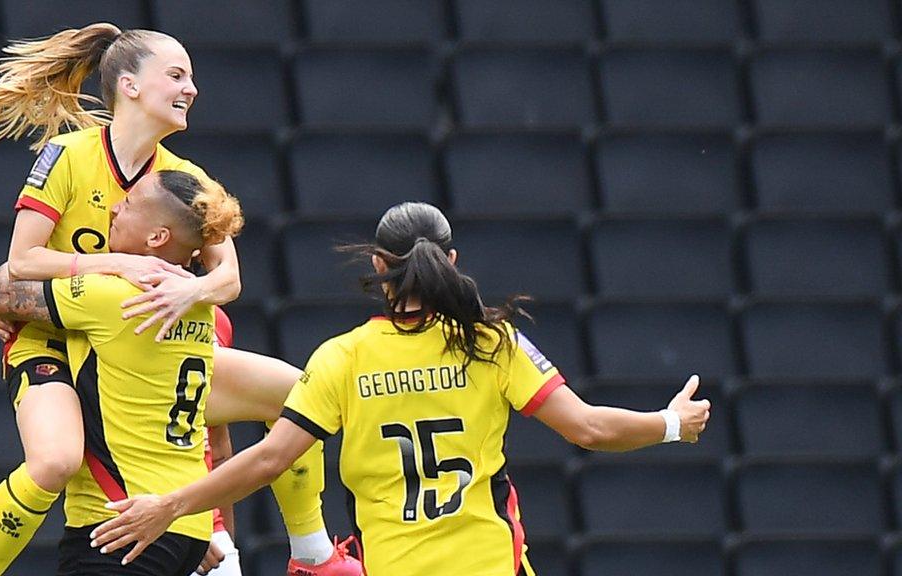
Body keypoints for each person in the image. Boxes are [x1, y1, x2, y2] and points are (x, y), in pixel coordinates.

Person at [85, 202, 712, 576]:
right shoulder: (492, 344)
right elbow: (590, 429)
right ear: (453, 262)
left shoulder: (342, 358)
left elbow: (269, 459)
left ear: (378, 266)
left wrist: (171, 505)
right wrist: (670, 424)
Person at [0, 23, 356, 576]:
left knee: (298, 394)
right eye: (176, 75)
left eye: (191, 77)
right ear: (128, 85)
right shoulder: (67, 155)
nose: (191, 88)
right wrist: (117, 263)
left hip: (140, 351)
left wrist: (190, 288)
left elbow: (230, 278)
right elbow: (21, 262)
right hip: (54, 339)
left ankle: (312, 554)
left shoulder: (184, 179)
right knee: (55, 462)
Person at [0, 170, 239, 575]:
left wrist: (109, 263)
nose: (115, 208)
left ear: (157, 238)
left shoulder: (114, 294)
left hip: (119, 523)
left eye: (130, 204)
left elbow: (0, 292)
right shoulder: (204, 308)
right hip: (188, 526)